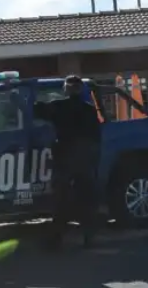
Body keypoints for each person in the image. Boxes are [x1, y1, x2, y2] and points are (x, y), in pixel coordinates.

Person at [35, 74, 102, 249]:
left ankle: (56, 240)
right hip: (85, 160)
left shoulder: (59, 107)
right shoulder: (89, 110)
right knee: (86, 200)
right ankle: (90, 238)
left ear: (65, 89)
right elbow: (97, 137)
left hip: (65, 159)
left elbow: (36, 110)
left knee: (61, 201)